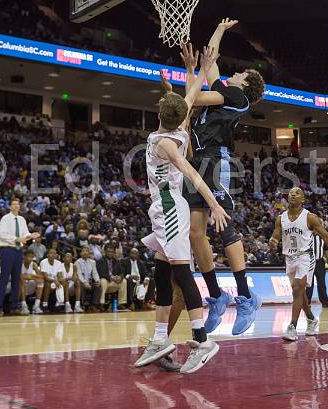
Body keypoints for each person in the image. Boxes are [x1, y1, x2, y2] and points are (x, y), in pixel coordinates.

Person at [135, 44, 228, 374]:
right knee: (162, 270)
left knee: (179, 272)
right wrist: (199, 69)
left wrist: (214, 203)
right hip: (164, 210)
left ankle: (202, 340)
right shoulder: (177, 124)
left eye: (162, 103)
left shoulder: (165, 142)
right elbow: (187, 100)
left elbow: (190, 172)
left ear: (161, 114)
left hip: (172, 209)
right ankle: (161, 336)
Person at [182, 19, 266, 336]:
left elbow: (194, 98)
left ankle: (246, 296)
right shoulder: (225, 91)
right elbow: (211, 62)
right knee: (194, 233)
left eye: (240, 75)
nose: (233, 73)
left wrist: (184, 94)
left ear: (244, 85)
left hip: (215, 161)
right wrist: (218, 29)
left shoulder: (237, 98)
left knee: (223, 224)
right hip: (197, 160)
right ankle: (217, 296)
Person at [269, 187, 328, 341]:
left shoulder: (310, 217)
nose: (293, 194)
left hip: (306, 257)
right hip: (289, 258)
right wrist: (273, 241)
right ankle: (311, 319)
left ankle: (292, 327)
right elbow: (276, 234)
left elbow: (326, 236)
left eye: (297, 193)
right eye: (291, 192)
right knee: (299, 293)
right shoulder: (281, 218)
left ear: (303, 199)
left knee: (298, 289)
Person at [0, 199, 39, 316]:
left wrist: (31, 235)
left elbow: (24, 234)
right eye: (13, 204)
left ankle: (14, 306)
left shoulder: (21, 219)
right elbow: (1, 234)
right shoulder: (5, 218)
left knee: (17, 279)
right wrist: (16, 239)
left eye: (17, 205)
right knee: (4, 278)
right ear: (10, 206)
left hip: (18, 250)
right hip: (7, 250)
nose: (16, 206)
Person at [96, 244, 127, 310]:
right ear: (105, 252)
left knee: (124, 281)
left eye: (111, 252)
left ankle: (120, 303)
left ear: (114, 252)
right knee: (103, 280)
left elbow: (121, 272)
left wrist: (120, 278)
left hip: (113, 283)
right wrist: (111, 277)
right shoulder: (100, 261)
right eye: (108, 251)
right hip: (105, 282)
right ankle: (101, 303)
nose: (110, 253)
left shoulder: (116, 261)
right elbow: (101, 273)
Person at [39, 247, 66, 312]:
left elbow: (60, 276)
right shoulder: (43, 262)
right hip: (46, 282)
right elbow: (45, 277)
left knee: (64, 282)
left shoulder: (59, 263)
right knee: (48, 283)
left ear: (56, 255)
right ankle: (45, 305)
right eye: (51, 253)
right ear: (47, 255)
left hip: (55, 282)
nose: (53, 255)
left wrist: (60, 280)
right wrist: (54, 280)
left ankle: (59, 303)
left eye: (55, 253)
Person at [75, 247, 101, 312]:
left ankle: (94, 305)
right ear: (80, 253)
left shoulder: (92, 262)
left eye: (87, 251)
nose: (85, 252)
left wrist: (97, 280)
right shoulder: (77, 262)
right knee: (81, 286)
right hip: (81, 281)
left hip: (89, 281)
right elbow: (79, 274)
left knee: (97, 286)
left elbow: (95, 273)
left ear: (89, 253)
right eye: (83, 251)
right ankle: (82, 305)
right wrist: (84, 282)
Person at [19, 249, 44, 315]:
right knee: (22, 281)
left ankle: (36, 306)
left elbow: (40, 276)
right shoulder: (19, 263)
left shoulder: (34, 264)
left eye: (32, 257)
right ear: (24, 256)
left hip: (28, 285)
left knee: (40, 282)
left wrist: (31, 276)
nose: (30, 259)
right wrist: (34, 276)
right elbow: (22, 276)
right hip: (18, 287)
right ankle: (23, 305)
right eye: (29, 256)